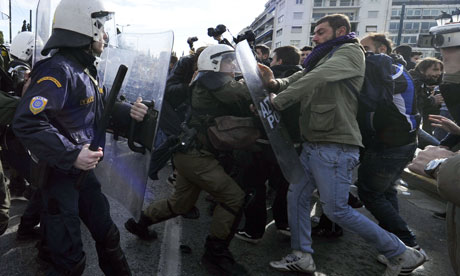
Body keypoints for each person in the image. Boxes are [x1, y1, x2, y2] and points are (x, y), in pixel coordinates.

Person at [258, 14, 426, 275]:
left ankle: (401, 252)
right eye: (314, 32)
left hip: (335, 144)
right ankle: (302, 255)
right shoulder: (325, 55)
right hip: (315, 141)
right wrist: (274, 83)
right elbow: (303, 75)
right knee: (297, 196)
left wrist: (277, 101)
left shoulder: (349, 52)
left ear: (341, 31)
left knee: (336, 210)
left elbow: (317, 77)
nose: (314, 37)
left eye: (321, 32)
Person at [12, 0, 148, 274]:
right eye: (100, 26)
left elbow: (97, 109)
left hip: (83, 176)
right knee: (70, 261)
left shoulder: (84, 69)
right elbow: (27, 121)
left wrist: (128, 112)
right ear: (84, 28)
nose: (105, 35)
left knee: (108, 235)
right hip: (59, 176)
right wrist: (72, 154)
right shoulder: (58, 70)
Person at [125, 44, 251, 275]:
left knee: (181, 204)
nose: (233, 65)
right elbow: (244, 94)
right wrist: (273, 84)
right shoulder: (214, 81)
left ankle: (141, 223)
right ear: (214, 62)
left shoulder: (208, 80)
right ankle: (215, 253)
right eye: (228, 61)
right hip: (196, 156)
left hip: (188, 153)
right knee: (234, 198)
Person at [358, 33, 424, 259]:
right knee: (385, 192)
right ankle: (398, 245)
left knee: (370, 193)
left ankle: (408, 244)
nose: (362, 53)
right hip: (402, 142)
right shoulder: (395, 69)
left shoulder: (387, 71)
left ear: (382, 50)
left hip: (390, 145)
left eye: (366, 48)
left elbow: (368, 101)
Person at [235, 45, 302, 244]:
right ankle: (284, 224)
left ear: (279, 62)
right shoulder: (305, 78)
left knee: (256, 185)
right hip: (295, 143)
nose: (271, 62)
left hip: (265, 141)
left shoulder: (267, 78)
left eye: (272, 59)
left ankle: (254, 230)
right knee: (285, 187)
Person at [409, 57, 444, 134]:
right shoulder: (415, 82)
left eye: (440, 70)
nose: (439, 73)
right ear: (422, 70)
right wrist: (433, 100)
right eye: (435, 70)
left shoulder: (420, 82)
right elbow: (414, 103)